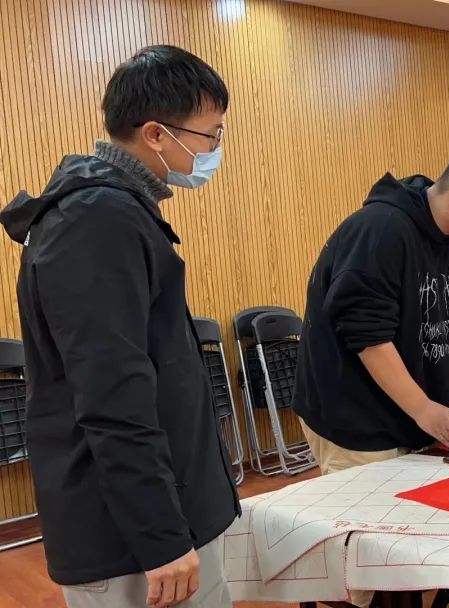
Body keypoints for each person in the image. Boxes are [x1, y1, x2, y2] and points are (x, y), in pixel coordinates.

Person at [0, 46, 238, 608]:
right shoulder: (95, 219)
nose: (214, 149)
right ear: (156, 134)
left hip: (158, 512)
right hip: (128, 535)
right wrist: (161, 537)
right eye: (210, 134)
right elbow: (111, 394)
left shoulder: (118, 210)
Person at [293, 146, 449, 479]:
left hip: (407, 415)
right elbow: (368, 337)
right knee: (374, 507)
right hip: (356, 418)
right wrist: (423, 408)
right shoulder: (381, 230)